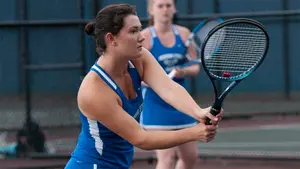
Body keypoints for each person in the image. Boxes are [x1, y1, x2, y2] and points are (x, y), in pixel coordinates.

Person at [65, 3, 222, 169]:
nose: (142, 37)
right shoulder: (94, 90)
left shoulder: (138, 58)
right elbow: (140, 138)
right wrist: (194, 133)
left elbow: (168, 87)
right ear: (111, 39)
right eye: (133, 31)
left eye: (140, 29)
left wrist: (198, 112)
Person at [140, 0, 203, 169]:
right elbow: (136, 74)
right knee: (166, 160)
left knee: (190, 157)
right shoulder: (144, 37)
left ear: (174, 9)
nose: (165, 10)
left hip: (181, 104)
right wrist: (156, 81)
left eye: (168, 5)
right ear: (151, 10)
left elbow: (195, 66)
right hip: (156, 106)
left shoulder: (183, 34)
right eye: (160, 6)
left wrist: (184, 71)